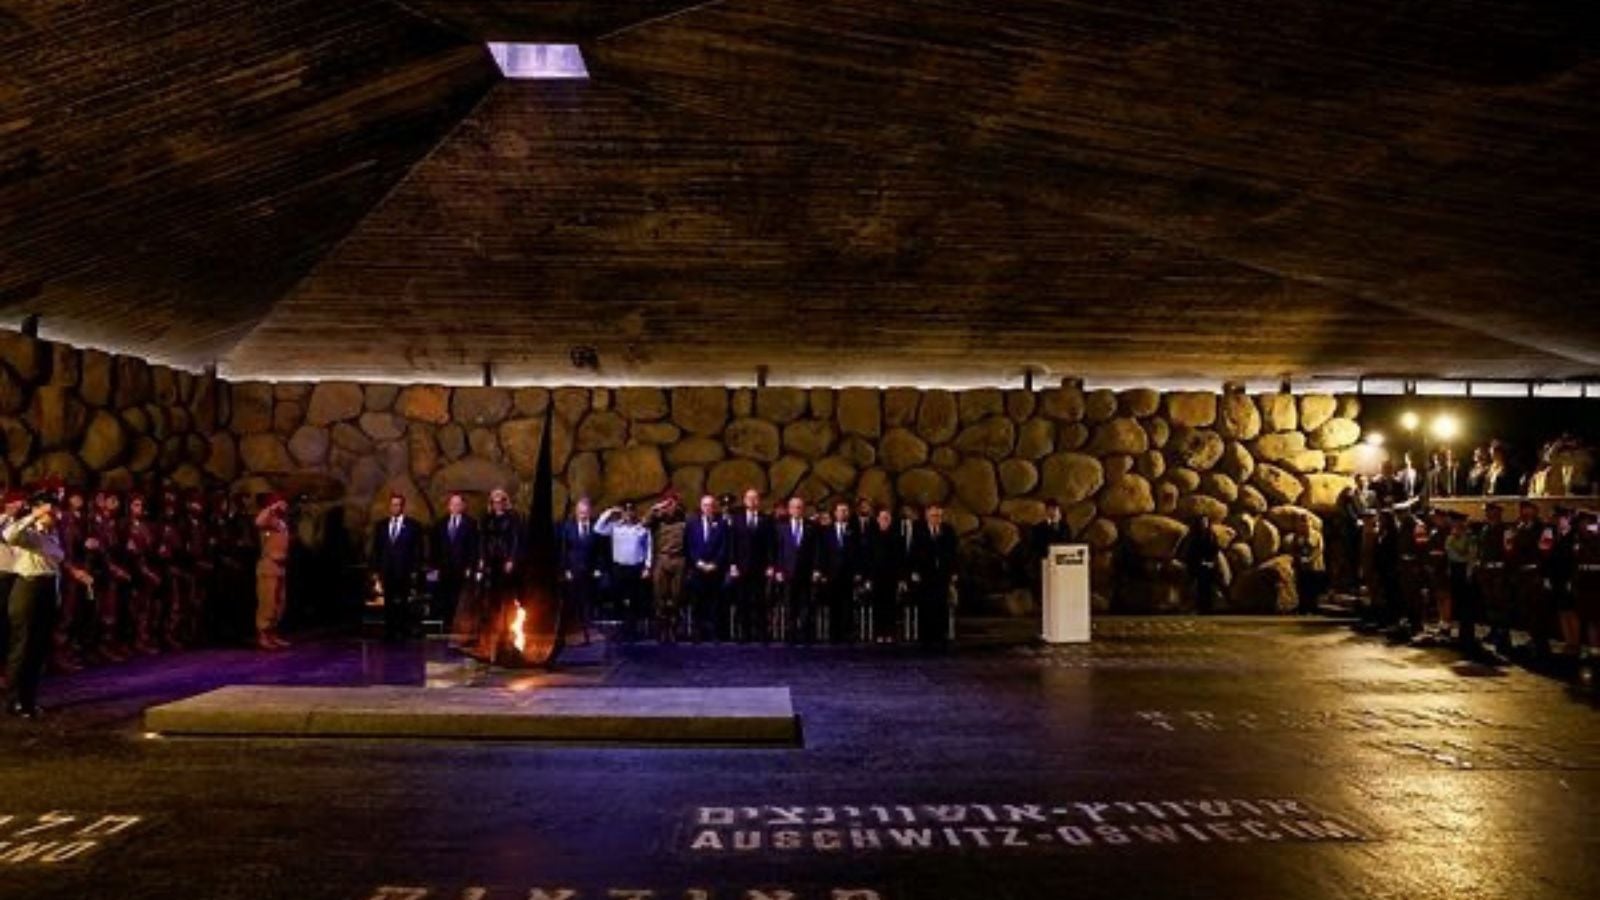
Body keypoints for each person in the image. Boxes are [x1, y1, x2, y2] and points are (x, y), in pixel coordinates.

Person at [4, 493, 95, 719]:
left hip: (48, 589)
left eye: (55, 511)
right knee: (22, 646)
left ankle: (29, 699)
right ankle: (14, 700)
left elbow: (58, 557)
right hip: (28, 589)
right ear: (38, 510)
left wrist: (75, 572)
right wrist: (34, 514)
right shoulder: (27, 533)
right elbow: (9, 534)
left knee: (39, 648)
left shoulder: (53, 533)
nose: (55, 515)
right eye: (50, 511)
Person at [473, 488, 522, 657]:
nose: (497, 504)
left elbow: (515, 540)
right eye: (494, 501)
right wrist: (481, 558)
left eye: (500, 500)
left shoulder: (513, 518)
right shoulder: (486, 519)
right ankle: (491, 630)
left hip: (505, 560)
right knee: (491, 597)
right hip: (491, 561)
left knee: (507, 596)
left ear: (505, 501)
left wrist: (511, 559)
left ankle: (507, 629)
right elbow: (482, 540)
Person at [369, 493, 424, 643]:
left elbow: (417, 550)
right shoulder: (381, 525)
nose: (395, 507)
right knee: (388, 601)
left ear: (402, 506)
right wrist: (375, 570)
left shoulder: (413, 526)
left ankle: (403, 629)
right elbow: (376, 549)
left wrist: (415, 570)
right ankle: (390, 630)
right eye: (393, 504)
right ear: (390, 506)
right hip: (387, 570)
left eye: (398, 504)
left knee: (404, 601)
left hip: (404, 570)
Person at [595, 502, 652, 641]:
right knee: (619, 600)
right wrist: (610, 510)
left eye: (631, 511)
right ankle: (619, 631)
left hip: (635, 568)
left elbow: (649, 547)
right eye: (625, 511)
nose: (628, 514)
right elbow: (598, 528)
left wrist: (647, 566)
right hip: (619, 568)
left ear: (634, 512)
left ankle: (632, 631)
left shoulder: (642, 528)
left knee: (634, 601)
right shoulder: (615, 527)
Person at [908, 504, 959, 647]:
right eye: (933, 516)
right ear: (927, 516)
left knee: (941, 603)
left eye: (939, 516)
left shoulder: (948, 531)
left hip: (942, 573)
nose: (937, 519)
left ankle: (941, 634)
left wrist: (954, 572)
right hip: (925, 573)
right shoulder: (919, 531)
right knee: (925, 603)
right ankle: (925, 635)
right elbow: (914, 552)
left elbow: (953, 553)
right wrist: (914, 571)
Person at [726, 488, 774, 642]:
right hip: (741, 567)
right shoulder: (737, 519)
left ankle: (761, 633)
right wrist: (732, 564)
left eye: (755, 498)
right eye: (749, 498)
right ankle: (743, 633)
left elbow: (770, 545)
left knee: (760, 601)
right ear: (745, 500)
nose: (752, 501)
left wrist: (770, 565)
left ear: (759, 501)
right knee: (742, 600)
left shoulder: (766, 519)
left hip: (760, 567)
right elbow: (732, 543)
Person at [557, 498, 607, 645]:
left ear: (589, 512)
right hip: (572, 571)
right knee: (573, 603)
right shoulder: (568, 528)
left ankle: (588, 633)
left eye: (585, 513)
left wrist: (599, 568)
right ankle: (573, 633)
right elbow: (563, 550)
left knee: (588, 603)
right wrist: (565, 569)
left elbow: (600, 551)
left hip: (590, 572)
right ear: (576, 512)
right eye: (580, 512)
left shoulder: (596, 529)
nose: (583, 515)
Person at [430, 492, 479, 636]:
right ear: (449, 506)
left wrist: (471, 567)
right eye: (453, 504)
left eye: (458, 504)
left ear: (463, 506)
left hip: (462, 568)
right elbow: (435, 548)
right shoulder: (440, 524)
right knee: (445, 597)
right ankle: (447, 625)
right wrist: (435, 568)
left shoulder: (470, 524)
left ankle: (459, 627)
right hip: (444, 568)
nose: (455, 506)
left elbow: (473, 548)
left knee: (460, 598)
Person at [771, 496, 817, 642]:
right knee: (789, 603)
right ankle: (790, 633)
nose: (797, 510)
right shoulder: (781, 528)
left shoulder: (811, 527)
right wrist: (778, 570)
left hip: (806, 572)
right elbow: (777, 550)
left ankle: (805, 633)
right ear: (789, 510)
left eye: (799, 507)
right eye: (794, 507)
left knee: (806, 604)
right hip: (787, 572)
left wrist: (816, 569)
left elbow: (817, 551)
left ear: (803, 509)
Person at [684, 494, 727, 642]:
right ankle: (697, 632)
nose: (708, 508)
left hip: (715, 570)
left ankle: (714, 633)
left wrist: (715, 563)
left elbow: (724, 547)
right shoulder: (692, 523)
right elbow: (689, 546)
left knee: (714, 603)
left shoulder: (722, 523)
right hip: (698, 570)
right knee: (697, 602)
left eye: (711, 505)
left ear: (715, 507)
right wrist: (698, 563)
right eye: (705, 505)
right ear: (701, 507)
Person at [253, 494, 292, 649]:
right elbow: (258, 521)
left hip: (281, 567)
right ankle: (263, 635)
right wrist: (272, 507)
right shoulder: (267, 520)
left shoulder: (281, 523)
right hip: (268, 566)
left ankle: (273, 634)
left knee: (279, 602)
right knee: (267, 602)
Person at [815, 500, 858, 642]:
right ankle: (833, 634)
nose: (843, 513)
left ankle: (848, 634)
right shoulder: (827, 531)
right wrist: (821, 572)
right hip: (831, 575)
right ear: (835, 513)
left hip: (848, 575)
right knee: (833, 605)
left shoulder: (854, 531)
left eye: (845, 510)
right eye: (840, 510)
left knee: (848, 605)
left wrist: (858, 573)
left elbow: (859, 553)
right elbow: (822, 553)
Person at [646, 492, 686, 642]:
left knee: (676, 597)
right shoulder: (657, 520)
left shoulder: (683, 520)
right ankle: (662, 630)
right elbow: (644, 523)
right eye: (667, 504)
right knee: (659, 597)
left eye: (672, 503)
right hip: (662, 560)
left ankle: (674, 630)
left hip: (679, 560)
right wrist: (655, 508)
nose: (670, 507)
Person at [1444, 513, 1482, 658]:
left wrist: (1469, 572)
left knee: (1467, 605)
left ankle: (1468, 636)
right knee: (1458, 604)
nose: (1455, 525)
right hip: (1454, 570)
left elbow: (1470, 555)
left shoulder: (1469, 537)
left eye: (1458, 522)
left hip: (1464, 569)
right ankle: (1461, 634)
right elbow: (1449, 554)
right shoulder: (1450, 537)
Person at [863, 508, 903, 642]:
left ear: (891, 521)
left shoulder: (897, 537)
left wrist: (900, 579)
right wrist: (868, 578)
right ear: (878, 520)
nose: (885, 521)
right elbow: (867, 558)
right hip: (876, 577)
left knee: (891, 606)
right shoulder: (871, 537)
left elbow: (900, 559)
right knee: (878, 606)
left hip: (891, 577)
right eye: (883, 518)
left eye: (887, 518)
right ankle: (878, 633)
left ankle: (890, 633)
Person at [1029, 499, 1072, 600]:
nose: (1053, 512)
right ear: (1046, 511)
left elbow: (1068, 542)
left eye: (1055, 509)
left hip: (1062, 563)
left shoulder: (1065, 527)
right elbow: (1037, 545)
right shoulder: (1038, 528)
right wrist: (1050, 525)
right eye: (1050, 509)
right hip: (1045, 562)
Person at [1181, 515, 1221, 614]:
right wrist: (1198, 562)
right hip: (1196, 564)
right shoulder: (1193, 536)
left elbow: (1214, 551)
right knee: (1200, 583)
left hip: (1209, 564)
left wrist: (1210, 562)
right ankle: (1200, 606)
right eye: (1202, 522)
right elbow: (1190, 552)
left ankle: (1207, 606)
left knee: (1207, 583)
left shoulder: (1211, 536)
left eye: (1205, 522)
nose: (1204, 524)